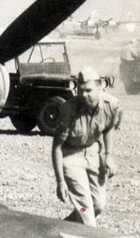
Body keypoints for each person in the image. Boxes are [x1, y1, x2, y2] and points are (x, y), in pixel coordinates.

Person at [51, 67, 121, 227]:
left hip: (94, 153)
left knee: (98, 205)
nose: (83, 95)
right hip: (71, 156)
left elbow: (109, 127)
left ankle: (66, 227)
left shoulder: (112, 105)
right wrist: (60, 181)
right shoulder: (68, 110)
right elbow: (57, 147)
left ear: (100, 87)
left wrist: (109, 155)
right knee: (86, 212)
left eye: (88, 90)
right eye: (80, 90)